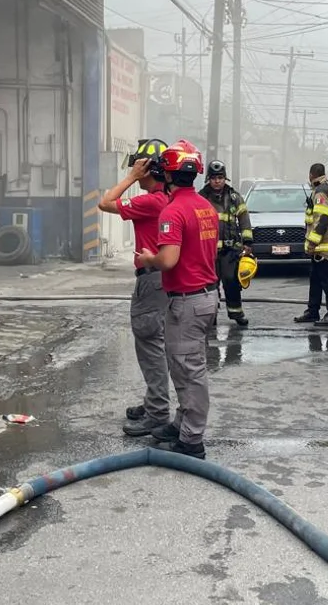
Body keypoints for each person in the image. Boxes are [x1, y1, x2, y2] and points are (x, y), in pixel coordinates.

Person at [136, 140, 219, 459]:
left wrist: (148, 259)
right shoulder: (205, 207)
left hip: (187, 301)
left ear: (167, 174)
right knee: (182, 365)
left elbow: (168, 259)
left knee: (189, 368)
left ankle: (192, 439)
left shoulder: (173, 211)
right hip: (201, 297)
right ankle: (182, 423)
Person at [97, 139, 173, 437]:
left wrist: (130, 178)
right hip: (163, 280)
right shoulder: (168, 198)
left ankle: (157, 413)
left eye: (139, 167)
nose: (135, 172)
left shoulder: (152, 201)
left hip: (151, 280)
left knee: (150, 345)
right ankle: (155, 402)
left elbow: (105, 202)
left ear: (148, 169)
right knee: (159, 345)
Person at [198, 160, 254, 327]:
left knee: (231, 281)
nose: (217, 181)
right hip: (208, 251)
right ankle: (211, 316)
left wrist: (248, 242)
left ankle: (236, 313)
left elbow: (244, 219)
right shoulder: (201, 197)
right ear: (209, 178)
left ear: (225, 178)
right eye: (214, 178)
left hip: (231, 250)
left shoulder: (234, 197)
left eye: (220, 177)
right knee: (209, 285)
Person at [295, 162, 328, 327]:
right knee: (315, 279)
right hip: (322, 247)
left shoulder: (321, 192)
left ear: (311, 175)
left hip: (323, 247)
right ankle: (312, 311)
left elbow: (322, 219)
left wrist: (312, 242)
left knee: (327, 281)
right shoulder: (324, 189)